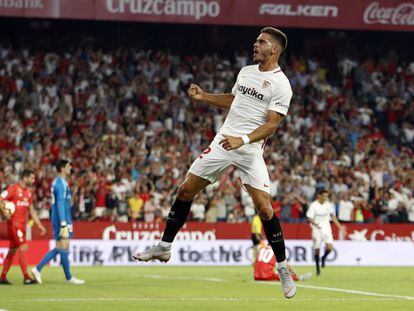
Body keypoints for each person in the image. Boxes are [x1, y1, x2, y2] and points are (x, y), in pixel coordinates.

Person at [133, 27, 296, 298]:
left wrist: (242, 140)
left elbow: (271, 125)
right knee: (185, 190)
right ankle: (163, 246)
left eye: (262, 42)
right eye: (256, 40)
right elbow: (235, 100)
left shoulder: (281, 84)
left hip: (249, 148)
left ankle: (282, 268)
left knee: (265, 209)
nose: (255, 45)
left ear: (274, 49)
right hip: (223, 141)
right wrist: (205, 96)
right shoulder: (246, 72)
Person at [31, 160, 85, 285]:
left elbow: (64, 202)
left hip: (64, 217)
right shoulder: (60, 184)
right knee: (63, 245)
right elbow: (60, 203)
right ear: (62, 168)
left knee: (62, 247)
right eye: (68, 166)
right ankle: (67, 277)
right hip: (62, 218)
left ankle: (39, 269)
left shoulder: (61, 183)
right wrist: (63, 222)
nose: (70, 167)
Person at [0, 169, 46, 285]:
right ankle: (26, 277)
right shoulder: (13, 189)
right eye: (31, 178)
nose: (33, 180)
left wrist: (39, 225)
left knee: (12, 250)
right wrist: (4, 213)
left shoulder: (28, 193)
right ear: (24, 178)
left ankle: (3, 276)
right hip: (14, 225)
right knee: (24, 247)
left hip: (22, 226)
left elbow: (32, 211)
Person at [306, 189, 346, 276]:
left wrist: (340, 227)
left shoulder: (329, 205)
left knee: (330, 248)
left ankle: (323, 258)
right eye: (324, 196)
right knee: (317, 250)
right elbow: (309, 217)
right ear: (319, 196)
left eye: (326, 196)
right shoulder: (314, 205)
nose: (325, 198)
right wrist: (314, 223)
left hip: (326, 229)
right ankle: (317, 269)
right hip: (316, 229)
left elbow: (333, 217)